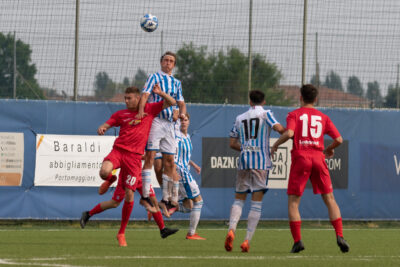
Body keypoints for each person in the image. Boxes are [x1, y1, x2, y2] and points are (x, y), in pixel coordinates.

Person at [79, 86, 178, 247]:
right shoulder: (121, 114)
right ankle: (110, 178)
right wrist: (103, 127)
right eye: (125, 98)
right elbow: (109, 123)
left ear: (138, 98)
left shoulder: (149, 109)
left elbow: (172, 102)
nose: (125, 101)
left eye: (129, 98)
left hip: (133, 161)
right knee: (104, 172)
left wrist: (160, 93)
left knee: (131, 198)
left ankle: (127, 232)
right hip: (119, 152)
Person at [270, 84, 350, 253]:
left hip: (301, 157)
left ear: (300, 97)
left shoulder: (294, 114)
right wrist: (328, 149)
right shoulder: (323, 117)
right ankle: (340, 236)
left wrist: (275, 145)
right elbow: (340, 139)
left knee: (293, 202)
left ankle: (298, 241)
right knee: (330, 199)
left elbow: (289, 133)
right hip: (318, 157)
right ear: (315, 99)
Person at [224, 90, 285, 253]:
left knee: (239, 199)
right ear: (263, 101)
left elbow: (232, 143)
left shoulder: (240, 118)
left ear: (250, 101)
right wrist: (286, 133)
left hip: (244, 160)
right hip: (261, 162)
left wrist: (245, 147)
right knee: (256, 203)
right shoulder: (266, 114)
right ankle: (246, 241)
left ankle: (231, 229)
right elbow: (280, 129)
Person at [137, 51, 186, 213]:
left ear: (174, 64)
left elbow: (181, 103)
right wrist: (141, 112)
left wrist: (182, 113)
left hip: (170, 125)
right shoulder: (154, 77)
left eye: (171, 61)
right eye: (166, 60)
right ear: (161, 62)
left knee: (170, 162)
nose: (168, 63)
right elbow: (144, 96)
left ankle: (166, 199)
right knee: (150, 157)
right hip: (156, 121)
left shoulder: (176, 83)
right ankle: (145, 195)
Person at [170, 113, 205, 240]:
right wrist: (173, 170)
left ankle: (160, 207)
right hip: (181, 172)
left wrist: (194, 165)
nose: (183, 122)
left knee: (189, 206)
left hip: (186, 170)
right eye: (181, 120)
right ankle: (191, 234)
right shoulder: (176, 136)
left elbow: (184, 156)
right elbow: (172, 155)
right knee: (199, 202)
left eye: (185, 120)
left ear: (189, 122)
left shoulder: (188, 136)